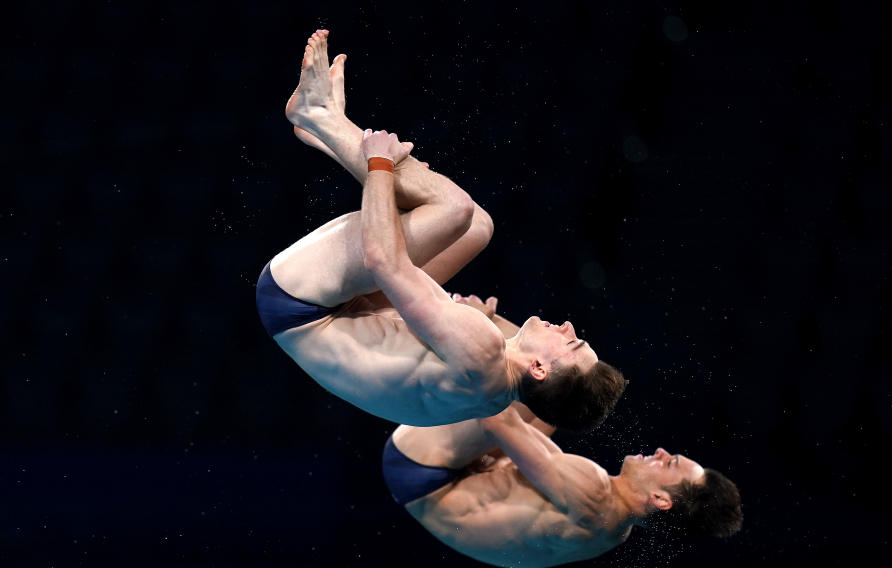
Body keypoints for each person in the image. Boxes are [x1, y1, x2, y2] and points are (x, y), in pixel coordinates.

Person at [258, 28, 625, 432]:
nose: (570, 328)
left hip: (299, 301)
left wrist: (380, 165)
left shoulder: (482, 351)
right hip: (341, 315)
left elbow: (382, 260)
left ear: (538, 368)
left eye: (572, 343)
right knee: (476, 227)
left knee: (453, 209)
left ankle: (319, 115)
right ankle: (327, 130)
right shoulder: (493, 395)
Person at [382, 299, 743, 568]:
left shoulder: (594, 491)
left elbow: (495, 418)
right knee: (562, 399)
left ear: (661, 500)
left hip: (423, 471)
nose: (663, 452)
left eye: (672, 463)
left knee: (529, 386)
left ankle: (403, 310)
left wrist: (481, 325)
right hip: (441, 486)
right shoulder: (614, 531)